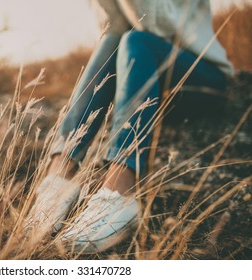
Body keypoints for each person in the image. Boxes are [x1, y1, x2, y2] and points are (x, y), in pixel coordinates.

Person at [26, 0, 233, 253]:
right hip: (154, 82)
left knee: (136, 41)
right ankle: (61, 172)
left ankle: (120, 189)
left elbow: (154, 26)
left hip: (202, 78)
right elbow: (114, 26)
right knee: (112, 41)